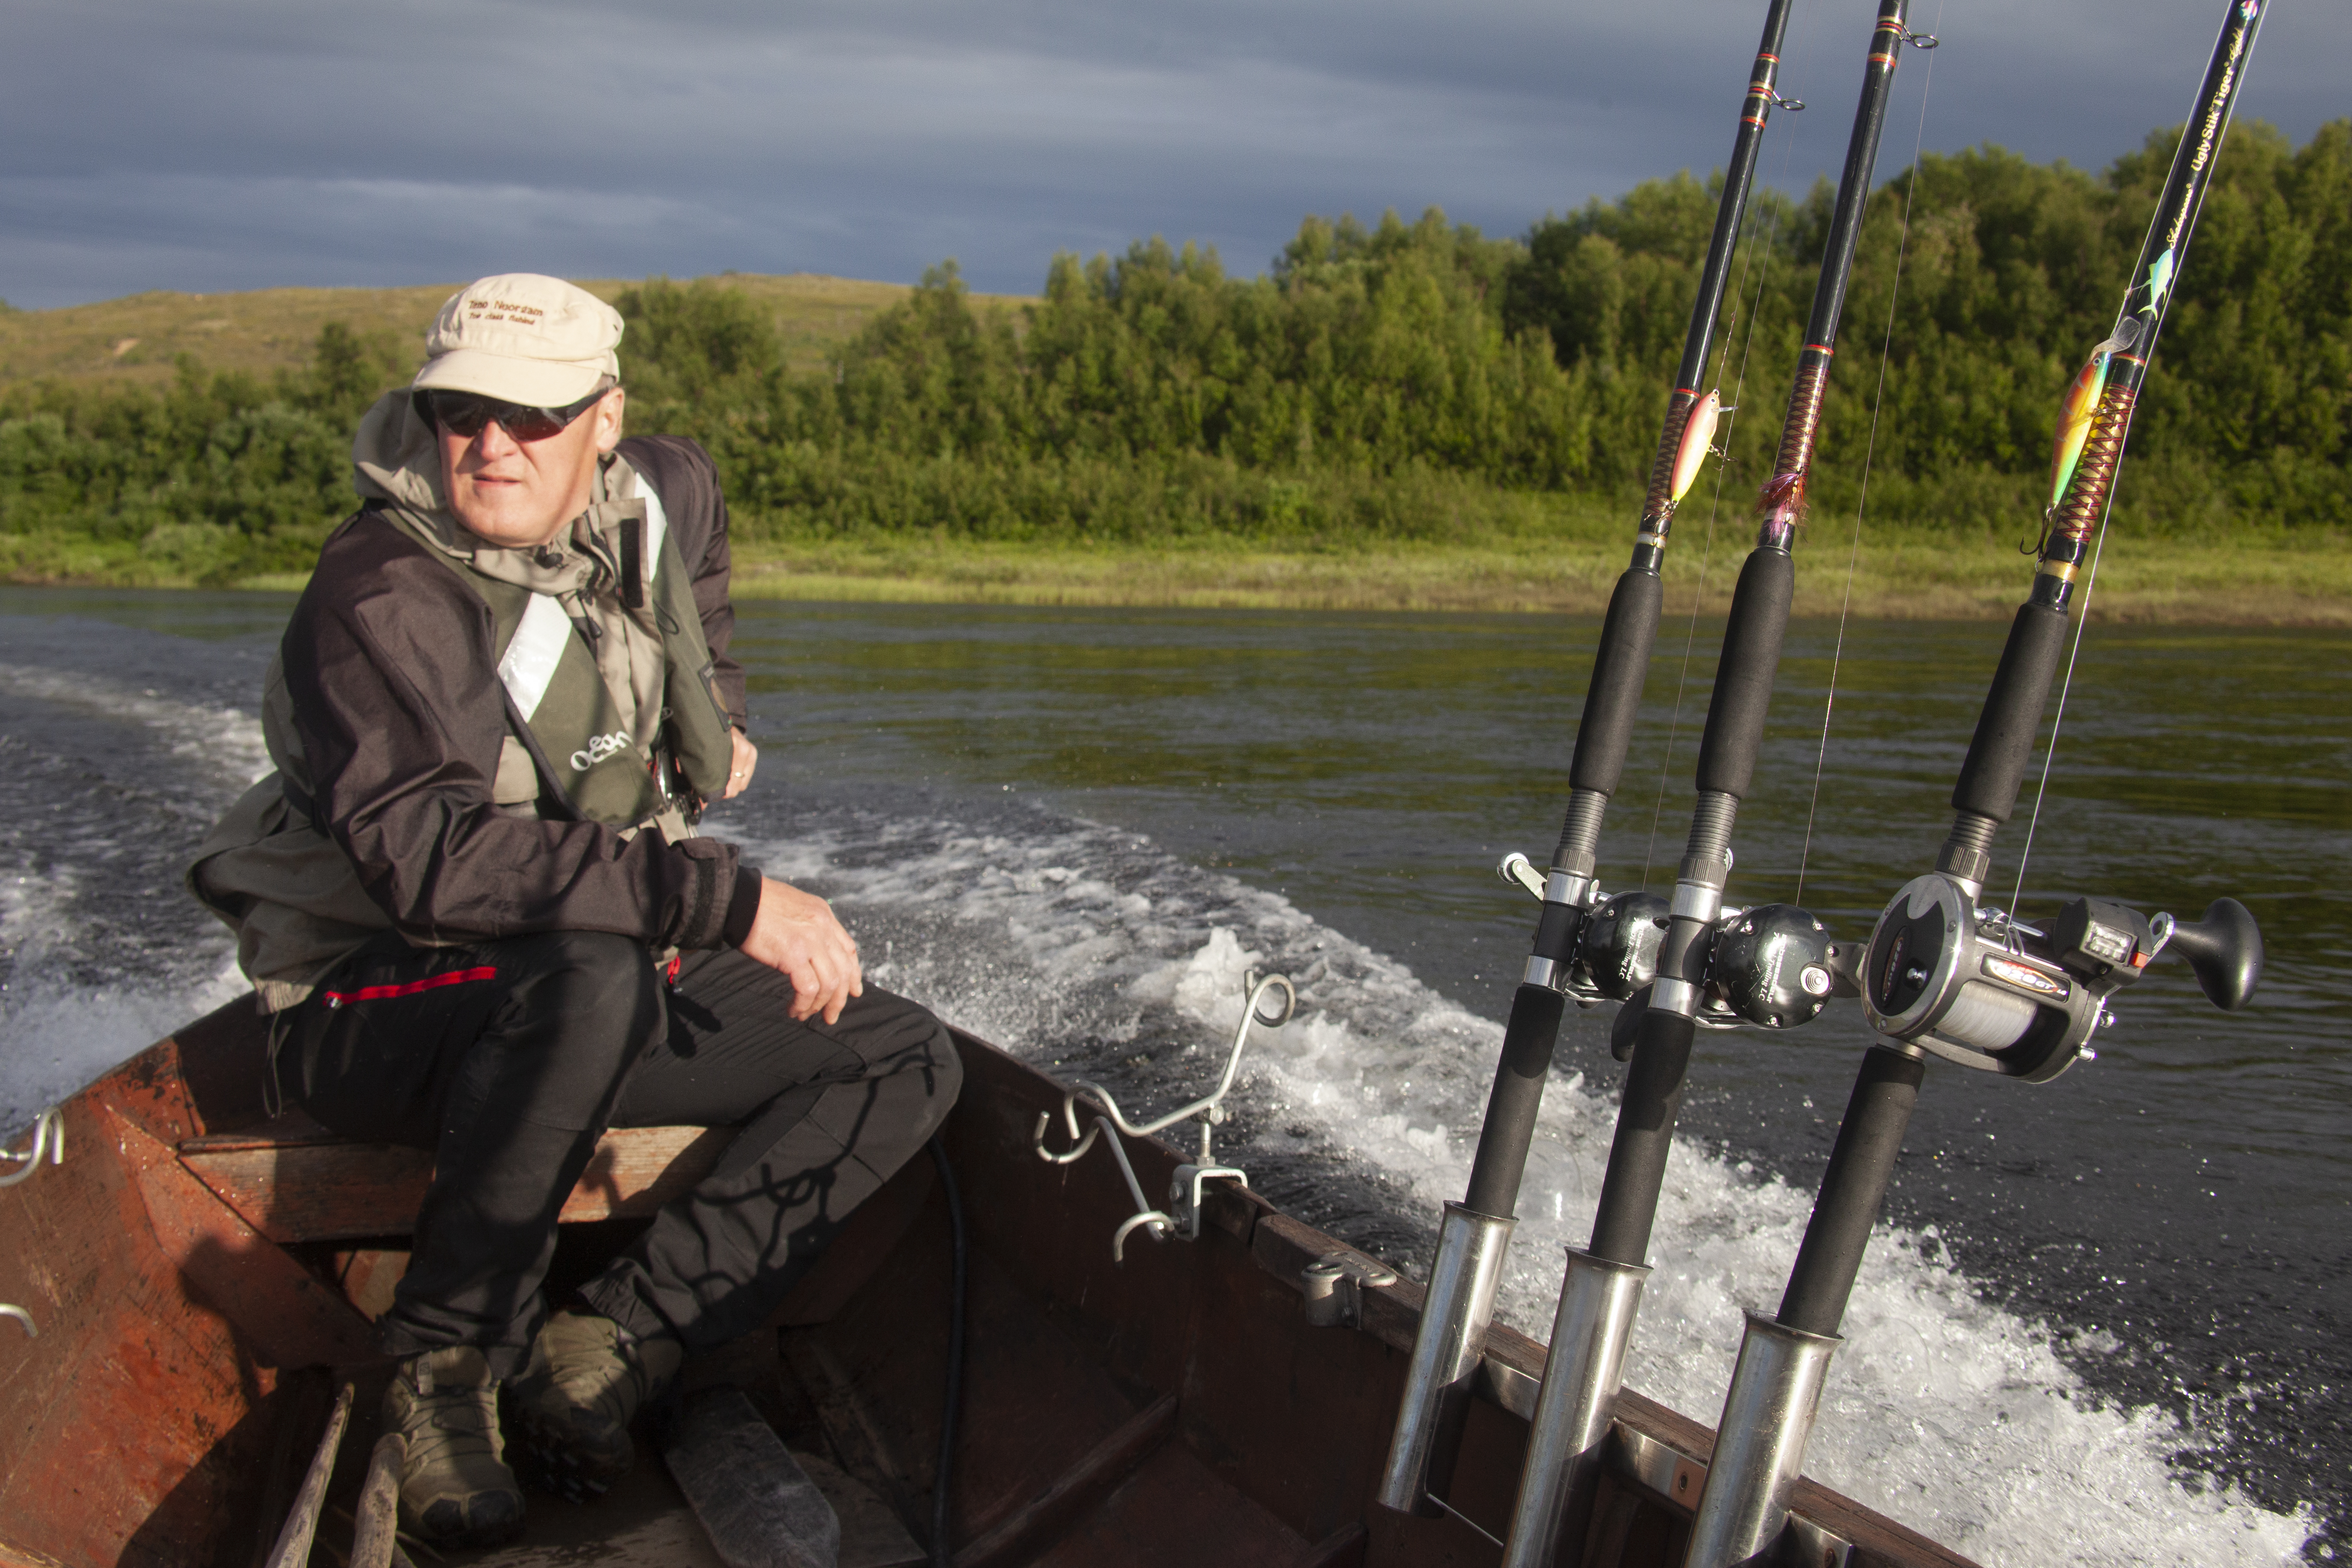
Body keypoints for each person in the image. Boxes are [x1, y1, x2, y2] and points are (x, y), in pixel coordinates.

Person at [189, 273, 961, 1547]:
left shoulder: (663, 483)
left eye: (532, 417)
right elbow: (436, 868)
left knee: (894, 1053)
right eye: (461, 414)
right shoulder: (378, 594)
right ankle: (440, 1370)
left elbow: (697, 545)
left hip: (579, 963)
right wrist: (724, 897)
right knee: (595, 968)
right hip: (361, 999)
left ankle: (613, 1337)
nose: (492, 444)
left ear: (605, 417)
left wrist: (718, 696)